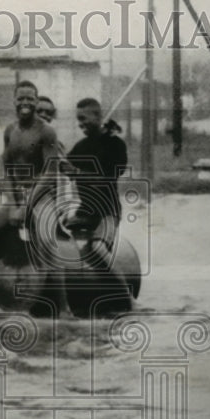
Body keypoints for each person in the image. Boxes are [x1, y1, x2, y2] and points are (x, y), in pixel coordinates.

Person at [0, 80, 73, 316]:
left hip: (42, 199)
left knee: (47, 244)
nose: (25, 103)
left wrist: (27, 206)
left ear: (36, 102)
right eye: (21, 98)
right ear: (14, 101)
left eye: (30, 99)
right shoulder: (10, 131)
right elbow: (7, 171)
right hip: (17, 200)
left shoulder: (46, 131)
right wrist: (15, 204)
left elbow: (50, 172)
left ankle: (64, 309)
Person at [66, 97, 129, 286]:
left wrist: (76, 172)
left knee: (98, 248)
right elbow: (64, 167)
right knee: (56, 236)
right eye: (78, 119)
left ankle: (130, 299)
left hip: (107, 212)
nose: (80, 124)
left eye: (84, 119)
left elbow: (107, 178)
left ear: (98, 116)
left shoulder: (116, 145)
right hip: (84, 213)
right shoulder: (81, 147)